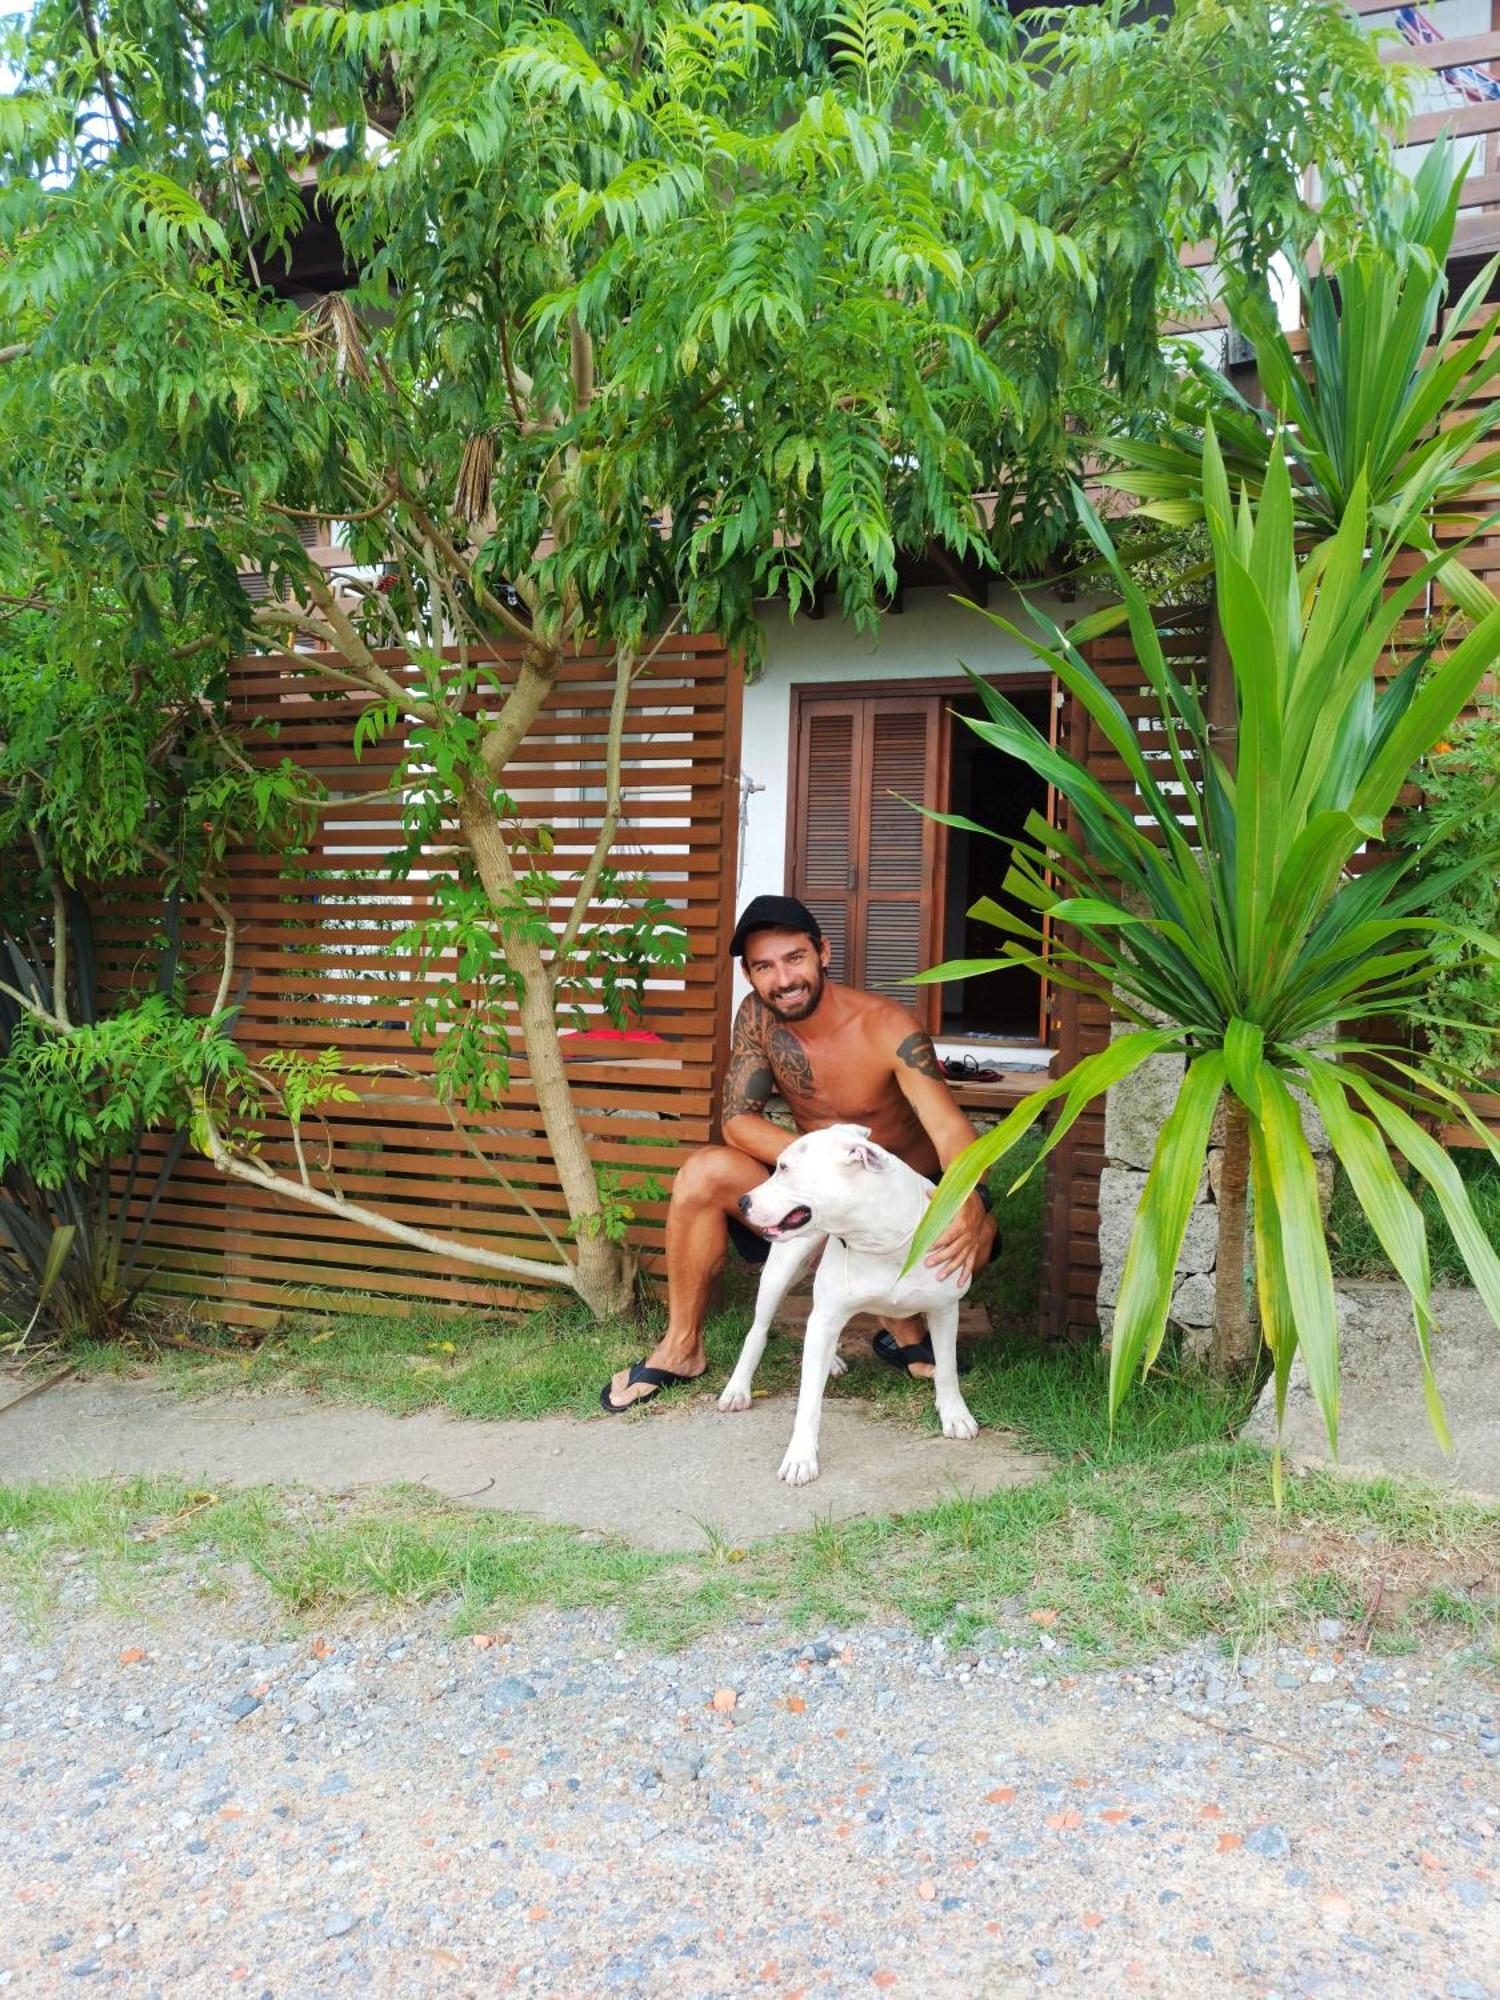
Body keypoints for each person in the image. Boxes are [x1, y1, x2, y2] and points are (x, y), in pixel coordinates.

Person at [601, 893, 998, 1412]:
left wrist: (969, 1197)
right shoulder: (758, 1018)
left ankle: (900, 1320)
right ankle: (682, 1347)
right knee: (702, 1172)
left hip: (896, 1202)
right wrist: (819, 1164)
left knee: (980, 1238)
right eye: (764, 966)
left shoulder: (885, 1027)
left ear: (823, 953)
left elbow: (949, 1128)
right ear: (749, 974)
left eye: (794, 958)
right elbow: (738, 1120)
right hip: (813, 1191)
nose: (783, 979)